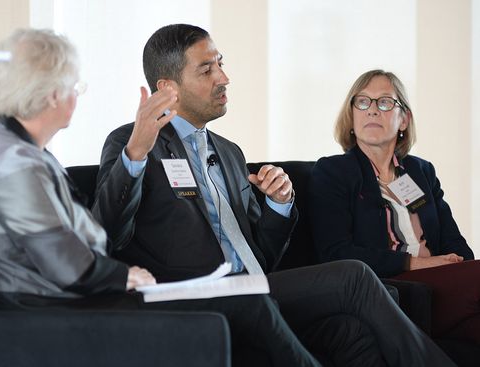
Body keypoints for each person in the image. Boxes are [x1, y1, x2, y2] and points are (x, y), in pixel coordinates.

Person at [0, 28, 351, 367]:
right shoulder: (16, 164)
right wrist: (124, 274)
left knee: (338, 329)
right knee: (261, 305)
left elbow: (70, 242)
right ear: (49, 95)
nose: (77, 97)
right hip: (50, 315)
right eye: (74, 87)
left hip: (64, 302)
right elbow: (69, 262)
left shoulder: (21, 153)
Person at [92, 24, 455, 366]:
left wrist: (278, 206)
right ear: (167, 87)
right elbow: (109, 233)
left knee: (351, 332)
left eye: (221, 64)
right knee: (355, 277)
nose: (224, 78)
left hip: (254, 284)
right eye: (206, 70)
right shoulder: (132, 143)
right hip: (193, 293)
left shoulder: (229, 153)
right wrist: (135, 156)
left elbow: (261, 255)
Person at [309, 69, 480, 345]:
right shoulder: (333, 172)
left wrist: (460, 263)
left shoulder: (420, 171)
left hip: (441, 283)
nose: (373, 111)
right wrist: (416, 264)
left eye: (385, 102)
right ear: (351, 116)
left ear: (404, 120)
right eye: (363, 102)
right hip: (389, 287)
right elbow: (336, 253)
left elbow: (453, 242)